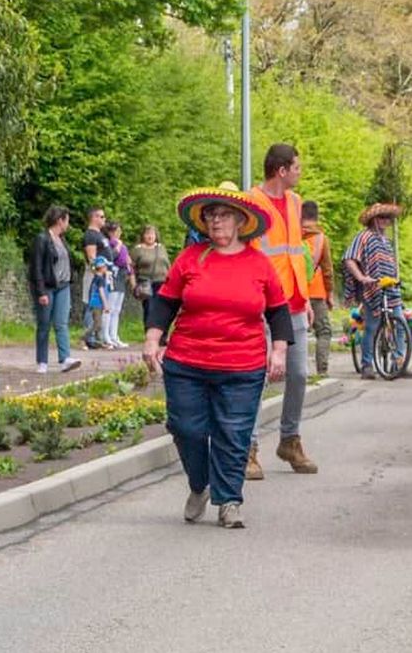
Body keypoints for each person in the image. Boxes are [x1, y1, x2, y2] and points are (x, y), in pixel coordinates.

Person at [143, 187, 294, 530]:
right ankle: (200, 485)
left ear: (241, 221)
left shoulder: (259, 263)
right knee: (186, 428)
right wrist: (153, 338)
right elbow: (165, 302)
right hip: (187, 362)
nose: (215, 222)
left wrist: (280, 350)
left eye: (223, 215)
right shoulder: (190, 258)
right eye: (210, 216)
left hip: (242, 365)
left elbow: (277, 310)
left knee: (233, 433)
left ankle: (229, 501)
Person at [244, 144, 317, 476]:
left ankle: (289, 439)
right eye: (297, 167)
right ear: (282, 170)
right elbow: (249, 254)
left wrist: (307, 296)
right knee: (257, 378)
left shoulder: (295, 202)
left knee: (299, 375)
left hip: (296, 303)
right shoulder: (251, 203)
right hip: (264, 304)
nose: (300, 172)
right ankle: (248, 448)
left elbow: (296, 250)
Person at [343, 203, 404, 379]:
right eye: (381, 217)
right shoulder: (363, 237)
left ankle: (398, 362)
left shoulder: (387, 241)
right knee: (372, 326)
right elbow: (349, 259)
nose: (385, 221)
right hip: (372, 288)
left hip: (390, 288)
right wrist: (361, 277)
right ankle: (367, 365)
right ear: (373, 219)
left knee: (400, 323)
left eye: (388, 218)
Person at [30, 206, 83, 374]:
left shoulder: (62, 240)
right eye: (67, 220)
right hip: (47, 287)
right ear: (60, 220)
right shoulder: (42, 239)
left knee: (61, 323)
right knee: (44, 324)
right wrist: (40, 292)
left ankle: (65, 358)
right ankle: (42, 361)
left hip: (63, 286)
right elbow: (36, 267)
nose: (68, 224)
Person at [300, 200, 335, 377]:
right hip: (315, 292)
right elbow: (327, 269)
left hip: (295, 291)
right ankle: (322, 371)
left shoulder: (292, 236)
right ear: (316, 216)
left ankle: (295, 371)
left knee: (296, 332)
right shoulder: (321, 238)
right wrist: (330, 293)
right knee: (324, 331)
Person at [98, 221, 132, 349]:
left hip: (122, 275)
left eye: (119, 231)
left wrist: (130, 271)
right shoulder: (109, 244)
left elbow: (127, 260)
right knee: (109, 307)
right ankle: (105, 335)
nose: (118, 233)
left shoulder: (121, 243)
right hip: (113, 274)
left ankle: (114, 335)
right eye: (115, 231)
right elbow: (111, 257)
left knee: (117, 309)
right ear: (110, 232)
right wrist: (117, 247)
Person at [130, 224, 172, 327]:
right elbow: (130, 268)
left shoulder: (161, 248)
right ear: (143, 236)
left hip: (162, 282)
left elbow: (168, 264)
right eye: (147, 234)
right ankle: (149, 332)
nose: (150, 236)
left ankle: (161, 334)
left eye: (152, 234)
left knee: (162, 309)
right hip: (146, 282)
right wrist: (133, 284)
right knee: (149, 309)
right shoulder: (137, 250)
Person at [79, 207, 110, 349]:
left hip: (104, 274)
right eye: (102, 217)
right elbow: (92, 257)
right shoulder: (90, 235)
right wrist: (98, 271)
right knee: (91, 304)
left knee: (99, 306)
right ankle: (86, 339)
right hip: (94, 275)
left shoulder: (100, 235)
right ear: (94, 218)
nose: (104, 219)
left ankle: (95, 338)